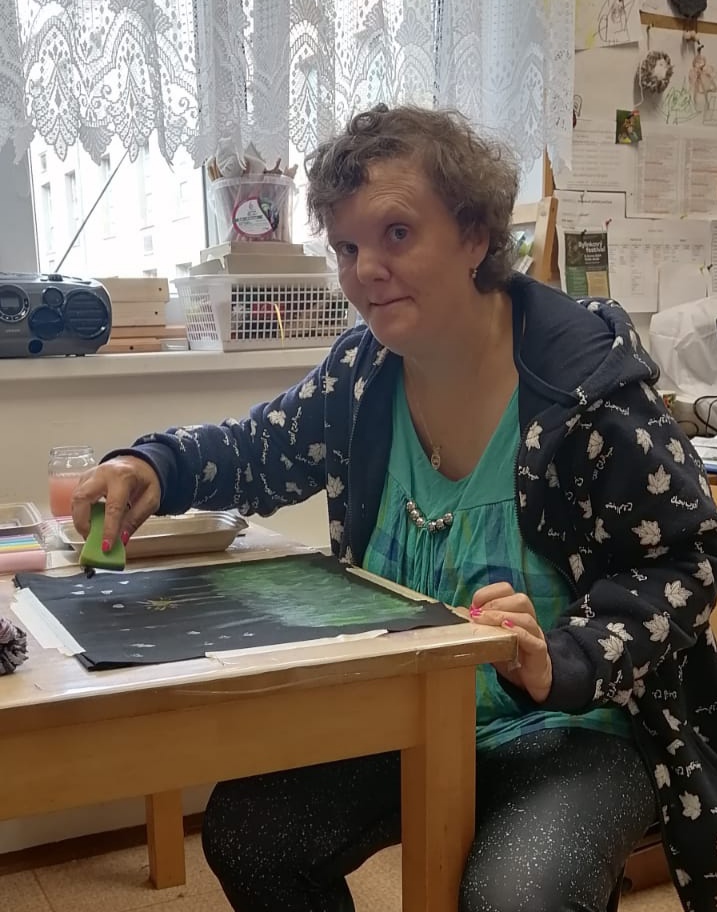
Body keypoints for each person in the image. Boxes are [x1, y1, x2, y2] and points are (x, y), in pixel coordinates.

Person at [72, 105, 717, 912]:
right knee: (249, 834)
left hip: (574, 727)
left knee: (520, 899)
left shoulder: (588, 389)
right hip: (400, 715)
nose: (365, 270)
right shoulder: (362, 374)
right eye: (346, 247)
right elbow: (255, 450)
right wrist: (151, 465)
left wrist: (565, 655)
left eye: (397, 234)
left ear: (476, 236)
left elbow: (679, 564)